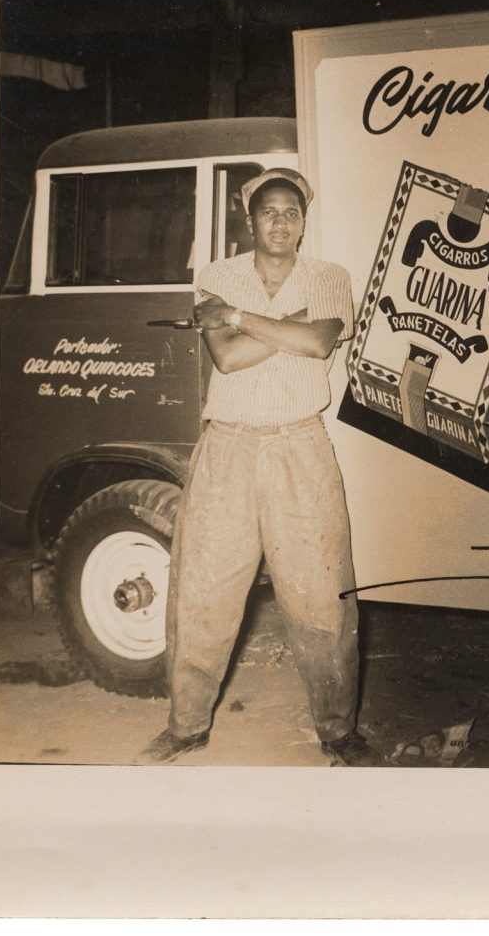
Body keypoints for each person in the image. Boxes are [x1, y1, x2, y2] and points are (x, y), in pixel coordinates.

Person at [140, 167, 377, 766]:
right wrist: (288, 325)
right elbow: (226, 358)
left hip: (301, 447)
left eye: (291, 213)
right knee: (203, 590)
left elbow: (322, 342)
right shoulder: (218, 275)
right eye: (269, 211)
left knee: (323, 595)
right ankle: (186, 726)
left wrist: (243, 317)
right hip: (228, 449)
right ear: (251, 220)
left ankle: (337, 730)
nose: (280, 222)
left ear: (304, 221)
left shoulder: (329, 277)